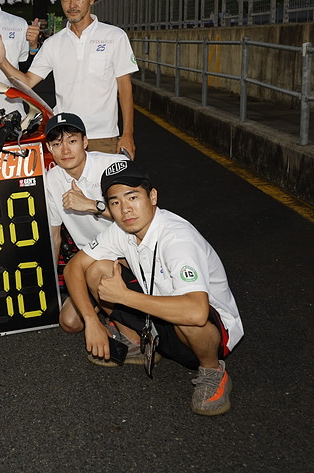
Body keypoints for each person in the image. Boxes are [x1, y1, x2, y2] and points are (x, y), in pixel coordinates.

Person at [63, 161, 243, 416]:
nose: (125, 209)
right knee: (97, 270)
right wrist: (91, 320)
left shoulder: (177, 239)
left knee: (187, 314)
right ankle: (137, 341)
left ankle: (212, 372)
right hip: (156, 315)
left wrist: (124, 296)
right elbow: (73, 267)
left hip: (204, 331)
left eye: (133, 197)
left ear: (153, 197)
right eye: (115, 202)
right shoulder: (122, 229)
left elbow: (196, 312)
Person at [0, 0, 138, 157]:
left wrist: (127, 134)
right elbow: (27, 82)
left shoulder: (115, 36)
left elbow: (125, 88)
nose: (72, 4)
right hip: (65, 137)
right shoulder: (53, 43)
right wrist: (3, 62)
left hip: (103, 136)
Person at [42, 112, 127, 337]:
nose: (65, 150)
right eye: (57, 144)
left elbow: (138, 217)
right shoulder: (52, 180)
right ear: (49, 149)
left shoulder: (114, 165)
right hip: (91, 257)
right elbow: (54, 236)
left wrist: (91, 205)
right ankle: (105, 311)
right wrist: (48, 283)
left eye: (72, 141)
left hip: (127, 252)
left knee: (103, 274)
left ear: (85, 142)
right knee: (69, 322)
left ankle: (131, 334)